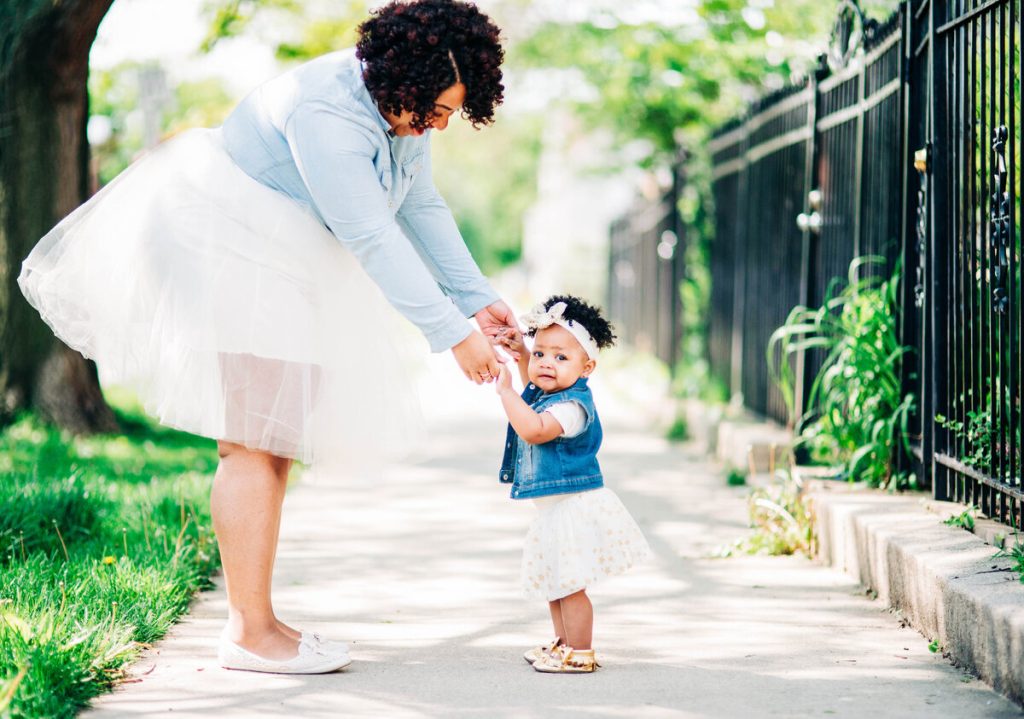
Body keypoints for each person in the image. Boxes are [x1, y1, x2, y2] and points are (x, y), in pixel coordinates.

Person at [18, 0, 515, 674]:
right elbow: (371, 235)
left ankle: (260, 620)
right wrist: (451, 333)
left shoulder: (402, 104)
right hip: (231, 238)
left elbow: (420, 203)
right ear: (405, 77)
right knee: (252, 434)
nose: (439, 124)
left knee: (274, 430)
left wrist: (478, 299)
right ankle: (249, 632)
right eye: (436, 109)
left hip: (283, 245)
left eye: (451, 113)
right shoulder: (326, 110)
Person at [494, 295, 651, 674]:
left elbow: (534, 429)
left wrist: (506, 392)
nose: (546, 363)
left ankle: (580, 651)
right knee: (555, 583)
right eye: (541, 353)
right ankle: (563, 644)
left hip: (572, 510)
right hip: (554, 510)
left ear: (587, 367)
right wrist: (522, 355)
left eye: (561, 357)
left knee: (570, 586)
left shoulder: (571, 407)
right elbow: (535, 383)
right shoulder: (551, 391)